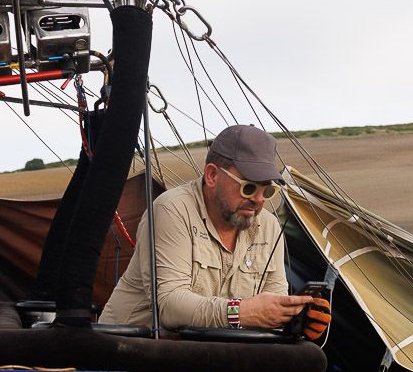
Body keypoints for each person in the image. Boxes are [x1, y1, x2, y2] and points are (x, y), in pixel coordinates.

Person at [100, 125, 323, 332]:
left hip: (207, 351)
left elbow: (273, 301)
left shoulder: (268, 225)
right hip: (133, 348)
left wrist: (295, 316)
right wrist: (239, 313)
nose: (258, 200)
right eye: (248, 187)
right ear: (212, 175)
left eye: (267, 191)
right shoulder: (172, 210)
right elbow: (168, 306)